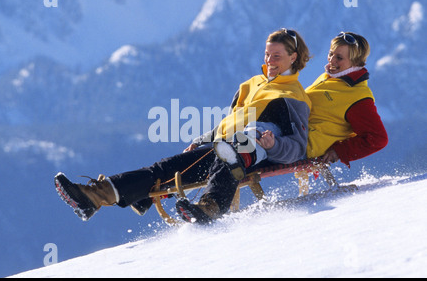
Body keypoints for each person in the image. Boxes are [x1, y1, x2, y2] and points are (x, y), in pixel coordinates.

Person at [54, 28, 312, 224]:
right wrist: (202, 140)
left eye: (277, 56)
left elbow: (297, 148)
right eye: (267, 54)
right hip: (222, 145)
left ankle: (210, 205)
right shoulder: (252, 84)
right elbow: (229, 123)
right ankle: (92, 197)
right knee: (164, 168)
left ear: (293, 57)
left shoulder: (293, 97)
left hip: (253, 152)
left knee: (230, 153)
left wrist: (275, 144)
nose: (270, 61)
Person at [305, 32, 388, 166]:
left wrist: (339, 151)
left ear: (355, 62)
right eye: (331, 54)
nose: (332, 60)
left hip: (302, 143)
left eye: (339, 57)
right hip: (292, 131)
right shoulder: (330, 77)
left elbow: (378, 138)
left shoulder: (357, 97)